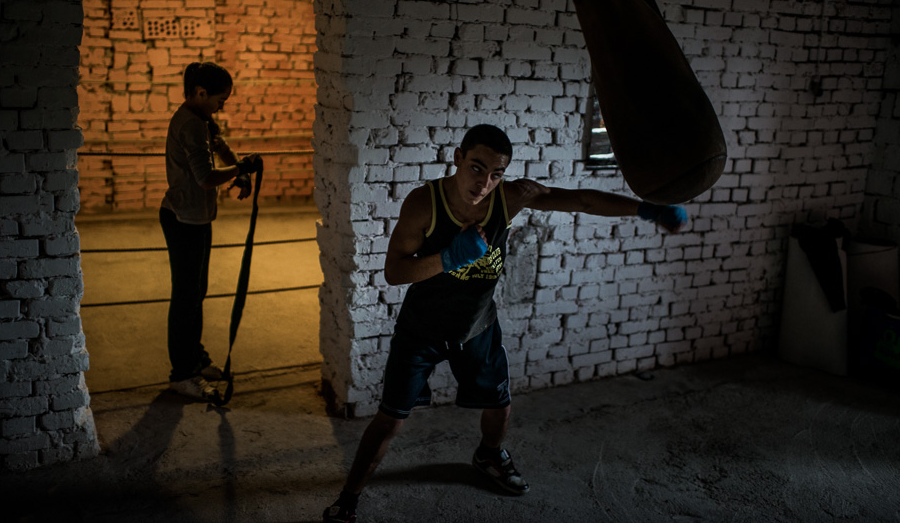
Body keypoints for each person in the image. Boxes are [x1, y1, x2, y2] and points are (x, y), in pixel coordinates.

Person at [323, 124, 687, 522]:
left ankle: (489, 455)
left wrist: (645, 208)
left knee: (500, 407)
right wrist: (448, 258)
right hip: (421, 332)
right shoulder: (423, 203)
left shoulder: (509, 199)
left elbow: (579, 199)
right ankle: (349, 498)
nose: (484, 183)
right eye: (477, 168)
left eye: (496, 173)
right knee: (390, 420)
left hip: (478, 328)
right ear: (458, 158)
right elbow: (394, 271)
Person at [159, 61, 261, 401]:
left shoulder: (201, 118)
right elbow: (205, 177)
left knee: (196, 292)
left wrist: (239, 169)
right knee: (186, 297)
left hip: (197, 218)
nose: (222, 105)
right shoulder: (189, 125)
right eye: (220, 99)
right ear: (201, 93)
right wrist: (241, 168)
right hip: (183, 219)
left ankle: (195, 358)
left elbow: (219, 146)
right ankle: (182, 373)